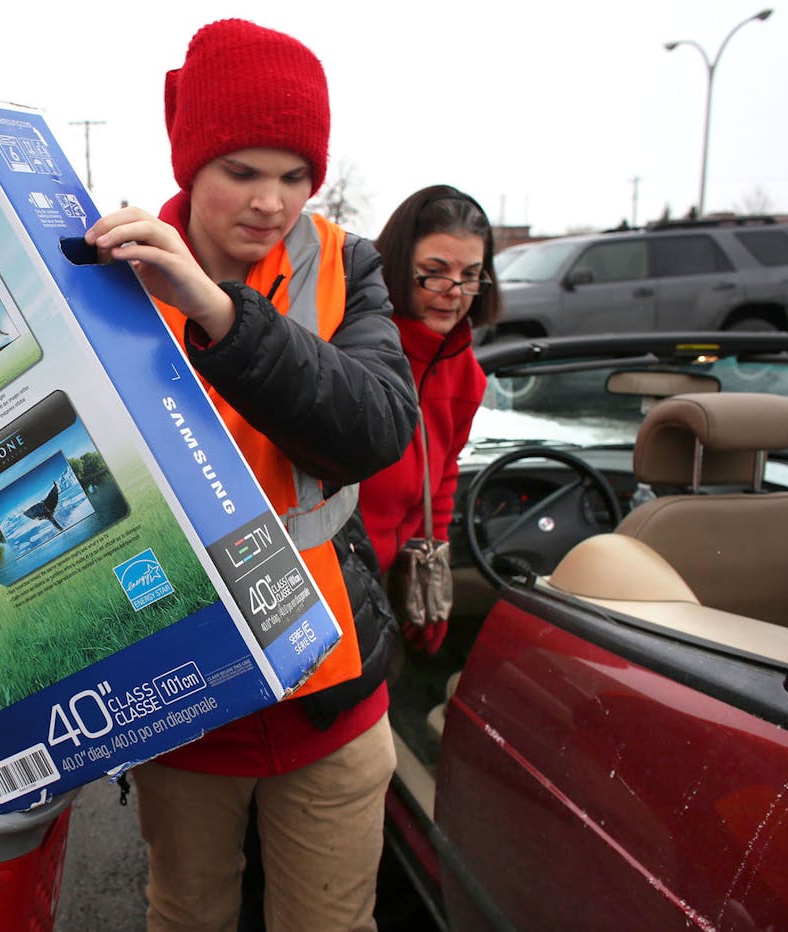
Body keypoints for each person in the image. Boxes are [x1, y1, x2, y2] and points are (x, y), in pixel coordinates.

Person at [83, 19, 417, 931]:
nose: (273, 201)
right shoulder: (104, 274)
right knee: (187, 914)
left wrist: (219, 313)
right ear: (191, 167)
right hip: (188, 700)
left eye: (295, 175)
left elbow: (378, 425)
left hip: (331, 697)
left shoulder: (344, 264)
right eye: (243, 170)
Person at [359, 185, 502, 653]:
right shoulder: (354, 345)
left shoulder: (467, 376)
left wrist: (432, 572)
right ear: (401, 268)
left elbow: (441, 479)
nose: (453, 293)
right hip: (330, 575)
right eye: (434, 274)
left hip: (390, 581)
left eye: (471, 275)